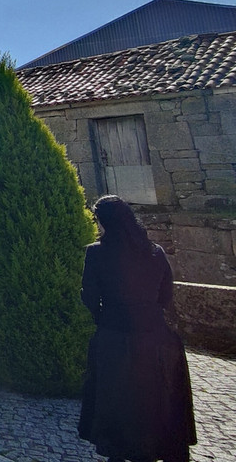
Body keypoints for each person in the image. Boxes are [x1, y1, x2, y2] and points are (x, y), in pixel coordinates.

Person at [78, 195, 196, 462]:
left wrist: (104, 318)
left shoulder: (96, 253)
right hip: (157, 335)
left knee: (119, 398)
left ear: (103, 222)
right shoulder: (155, 252)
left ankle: (121, 452)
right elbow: (166, 294)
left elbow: (88, 295)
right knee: (158, 397)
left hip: (115, 336)